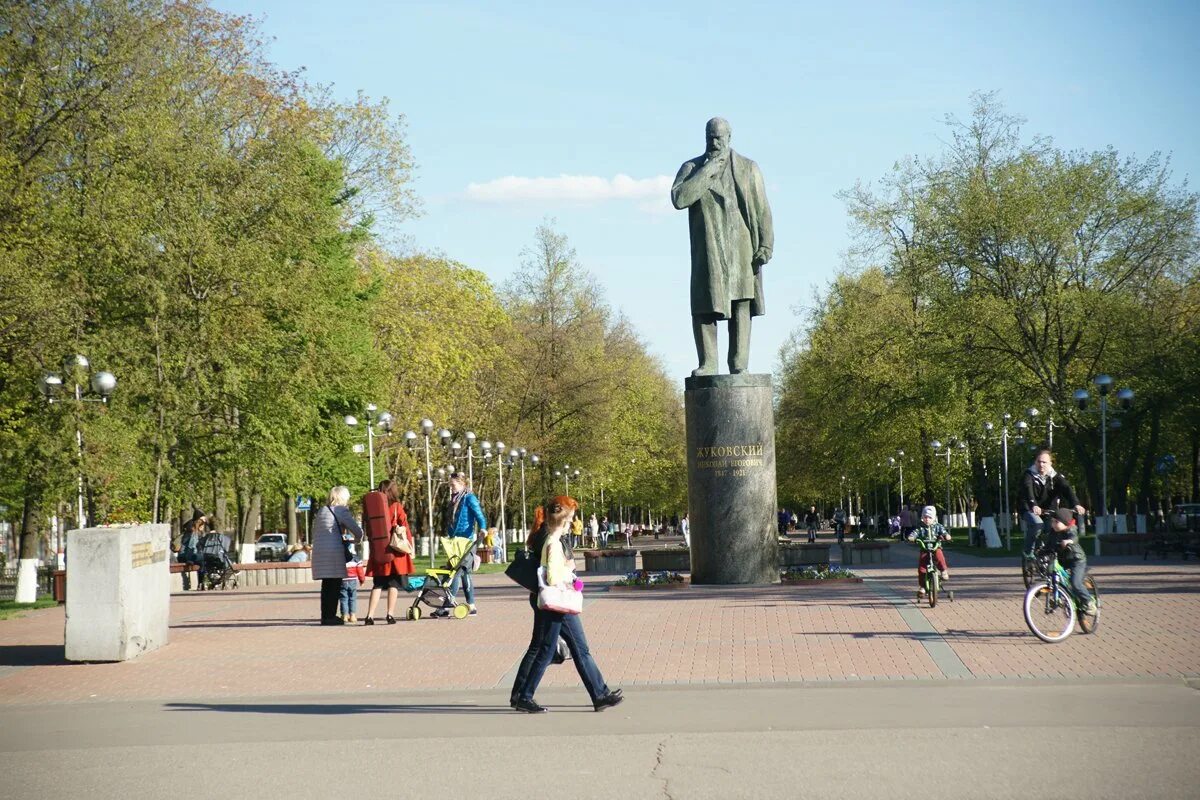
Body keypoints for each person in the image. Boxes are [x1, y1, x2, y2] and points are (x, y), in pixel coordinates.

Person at [671, 117, 774, 376]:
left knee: (741, 302)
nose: (714, 142)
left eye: (719, 137)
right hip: (708, 247)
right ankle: (708, 363)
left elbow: (763, 209)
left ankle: (739, 364)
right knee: (705, 304)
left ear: (729, 137)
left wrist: (766, 244)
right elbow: (680, 198)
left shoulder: (748, 168)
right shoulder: (691, 167)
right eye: (710, 138)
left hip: (740, 245)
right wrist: (707, 170)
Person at [509, 496, 623, 714]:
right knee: (545, 650)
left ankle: (600, 694)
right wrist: (569, 573)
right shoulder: (551, 541)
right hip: (555, 601)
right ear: (560, 519)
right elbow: (551, 576)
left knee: (574, 649)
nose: (573, 523)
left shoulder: (554, 538)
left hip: (558, 601)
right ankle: (524, 696)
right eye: (570, 519)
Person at [433, 472, 487, 618]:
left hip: (466, 541)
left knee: (456, 572)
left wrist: (483, 528)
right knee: (464, 572)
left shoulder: (469, 498)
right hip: (455, 540)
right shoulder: (454, 499)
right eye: (450, 485)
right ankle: (472, 606)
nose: (451, 488)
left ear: (462, 484)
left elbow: (479, 515)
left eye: (453, 485)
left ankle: (447, 606)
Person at [311, 486, 363, 625]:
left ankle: (326, 616)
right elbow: (356, 530)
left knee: (327, 585)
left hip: (320, 551)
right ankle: (331, 617)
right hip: (333, 551)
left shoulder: (322, 510)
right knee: (335, 584)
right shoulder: (341, 510)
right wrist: (357, 539)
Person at [1019, 448, 1086, 556]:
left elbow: (1067, 489)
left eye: (1044, 462)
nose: (1041, 464)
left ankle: (1051, 554)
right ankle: (1028, 553)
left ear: (1050, 463)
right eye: (1038, 461)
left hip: (1049, 510)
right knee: (1037, 524)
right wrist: (1034, 505)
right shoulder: (1029, 475)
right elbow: (1028, 490)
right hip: (1030, 509)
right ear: (1035, 462)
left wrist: (1076, 504)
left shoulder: (1055, 476)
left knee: (1054, 529)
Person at [363, 479, 413, 625]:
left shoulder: (372, 508)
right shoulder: (396, 506)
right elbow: (404, 526)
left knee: (377, 584)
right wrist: (410, 546)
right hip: (395, 553)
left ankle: (369, 616)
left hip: (379, 550)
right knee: (393, 584)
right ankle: (390, 614)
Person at [1045, 507, 1096, 613]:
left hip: (1077, 561)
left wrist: (1069, 541)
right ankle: (1058, 596)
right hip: (1063, 561)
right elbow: (1048, 545)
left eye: (1057, 522)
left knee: (1075, 583)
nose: (1054, 524)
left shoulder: (1071, 529)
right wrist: (1041, 552)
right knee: (1051, 574)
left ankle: (1089, 602)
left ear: (1065, 523)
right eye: (1052, 521)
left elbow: (1074, 537)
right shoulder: (1053, 533)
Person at [907, 505, 951, 597]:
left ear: (934, 518)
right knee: (922, 568)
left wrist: (946, 536)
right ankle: (922, 587)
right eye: (925, 517)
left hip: (935, 547)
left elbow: (944, 532)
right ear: (922, 517)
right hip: (924, 549)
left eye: (930, 517)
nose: (927, 519)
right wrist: (912, 537)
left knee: (940, 557)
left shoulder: (938, 526)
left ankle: (943, 571)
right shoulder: (921, 527)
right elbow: (915, 533)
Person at [177, 510, 205, 591]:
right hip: (187, 556)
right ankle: (200, 583)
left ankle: (201, 584)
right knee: (202, 562)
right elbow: (191, 547)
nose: (203, 525)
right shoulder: (194, 532)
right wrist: (190, 559)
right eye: (202, 522)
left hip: (182, 555)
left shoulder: (189, 529)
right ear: (199, 523)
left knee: (201, 560)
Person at [341, 552, 366, 623]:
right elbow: (360, 571)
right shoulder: (356, 558)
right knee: (353, 598)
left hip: (343, 580)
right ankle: (352, 615)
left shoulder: (340, 556)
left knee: (343, 598)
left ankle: (344, 615)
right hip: (353, 580)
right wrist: (362, 580)